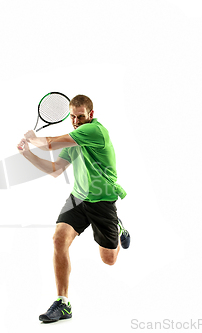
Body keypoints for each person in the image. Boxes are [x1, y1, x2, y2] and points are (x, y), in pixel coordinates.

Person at [17, 94, 130, 323]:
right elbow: (56, 169)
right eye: (73, 117)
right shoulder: (74, 139)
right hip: (78, 198)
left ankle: (119, 231)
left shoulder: (95, 131)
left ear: (91, 114)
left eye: (80, 116)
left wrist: (33, 138)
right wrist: (27, 154)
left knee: (109, 259)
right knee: (59, 239)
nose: (76, 121)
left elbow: (49, 144)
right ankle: (63, 302)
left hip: (102, 200)